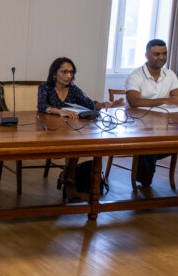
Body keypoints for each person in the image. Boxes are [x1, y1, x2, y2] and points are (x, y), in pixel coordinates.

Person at [37, 56, 123, 201]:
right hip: (49, 131)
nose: (68, 75)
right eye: (64, 72)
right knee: (73, 141)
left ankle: (68, 178)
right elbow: (42, 106)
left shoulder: (73, 89)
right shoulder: (45, 87)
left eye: (71, 72)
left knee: (76, 140)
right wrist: (59, 111)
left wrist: (104, 104)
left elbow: (89, 104)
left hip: (69, 129)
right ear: (54, 74)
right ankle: (68, 179)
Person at [125, 39, 178, 186]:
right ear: (146, 55)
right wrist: (164, 100)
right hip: (138, 124)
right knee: (150, 143)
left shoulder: (169, 74)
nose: (161, 57)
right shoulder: (135, 75)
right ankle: (146, 176)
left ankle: (146, 167)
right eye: (157, 54)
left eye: (164, 54)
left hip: (163, 124)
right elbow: (134, 101)